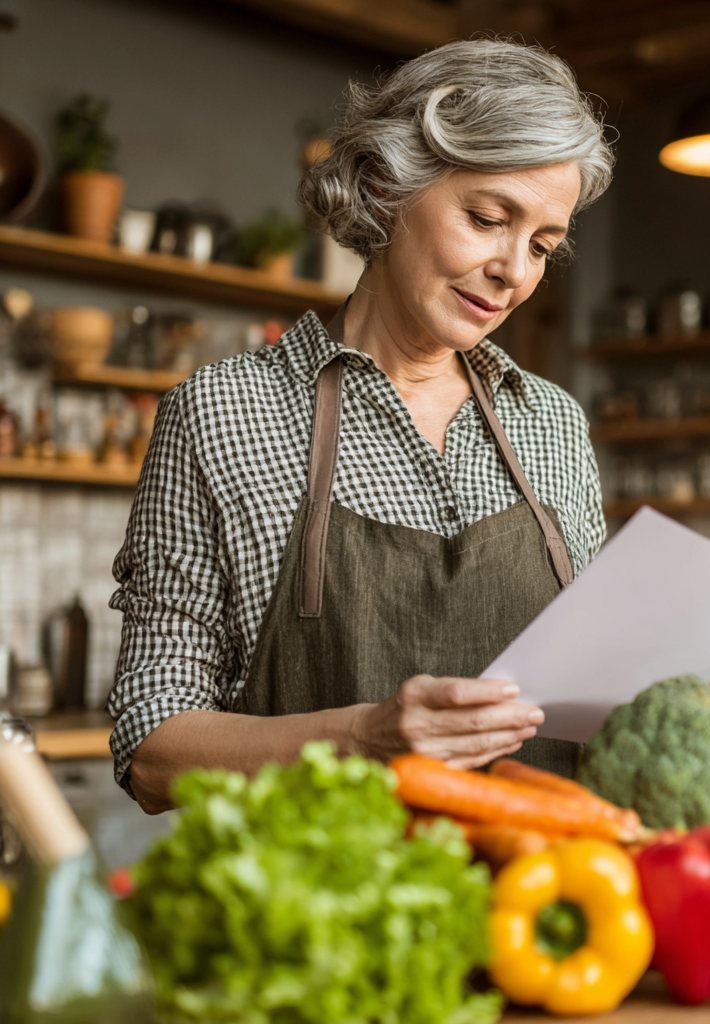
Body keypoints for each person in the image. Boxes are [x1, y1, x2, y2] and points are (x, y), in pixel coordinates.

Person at [107, 38, 614, 813]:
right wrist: (364, 740)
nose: (515, 271)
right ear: (385, 189)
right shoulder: (222, 415)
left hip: (548, 912)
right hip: (324, 917)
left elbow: (597, 690)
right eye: (486, 218)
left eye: (541, 245)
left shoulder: (551, 424)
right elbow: (151, 749)